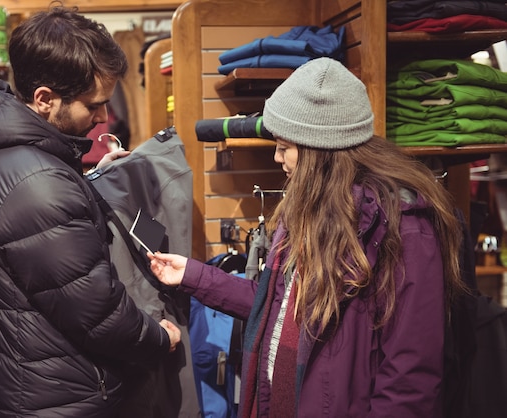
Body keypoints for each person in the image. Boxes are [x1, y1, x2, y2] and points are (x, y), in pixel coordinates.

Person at [149, 57, 468, 418]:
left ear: (319, 149)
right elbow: (276, 305)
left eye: (285, 147)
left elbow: (411, 378)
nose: (276, 157)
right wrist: (193, 275)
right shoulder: (309, 209)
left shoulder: (403, 227)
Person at [0, 4, 180, 417]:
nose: (104, 117)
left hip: (23, 385)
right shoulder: (37, 182)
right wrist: (160, 338)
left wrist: (84, 185)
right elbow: (97, 315)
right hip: (62, 399)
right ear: (45, 99)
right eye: (94, 104)